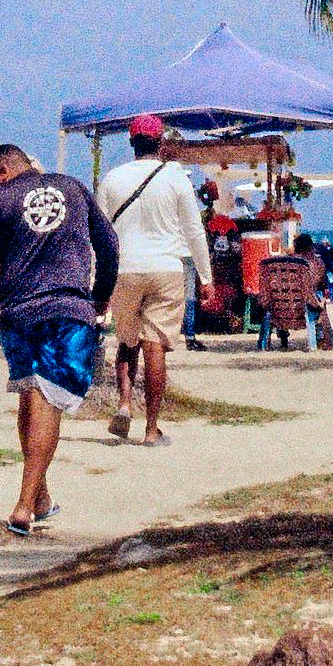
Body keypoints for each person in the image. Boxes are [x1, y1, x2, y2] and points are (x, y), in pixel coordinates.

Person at [0, 143, 120, 538]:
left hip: (16, 313)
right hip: (67, 310)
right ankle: (23, 504)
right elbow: (109, 244)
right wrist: (101, 294)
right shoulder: (73, 187)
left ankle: (40, 496)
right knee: (47, 399)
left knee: (31, 393)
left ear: (1, 172)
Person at [98, 116, 209, 446]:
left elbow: (101, 235)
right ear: (160, 142)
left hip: (124, 269)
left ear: (131, 143)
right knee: (155, 347)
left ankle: (123, 404)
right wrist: (206, 277)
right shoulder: (175, 178)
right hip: (165, 268)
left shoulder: (112, 178)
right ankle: (151, 429)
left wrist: (98, 280)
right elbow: (193, 231)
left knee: (127, 341)